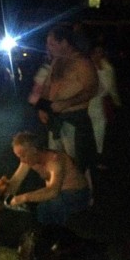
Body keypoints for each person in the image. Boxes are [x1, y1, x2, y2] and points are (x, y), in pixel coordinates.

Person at [36, 24, 99, 191]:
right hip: (55, 120)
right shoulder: (57, 61)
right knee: (54, 161)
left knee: (77, 162)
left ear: (64, 42)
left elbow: (92, 89)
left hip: (74, 120)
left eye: (52, 43)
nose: (48, 47)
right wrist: (42, 107)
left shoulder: (82, 62)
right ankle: (57, 192)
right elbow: (48, 86)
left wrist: (67, 103)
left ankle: (83, 196)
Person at [6, 131, 90, 226]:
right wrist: (3, 198)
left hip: (76, 194)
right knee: (33, 207)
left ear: (33, 150)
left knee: (45, 208)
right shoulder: (29, 160)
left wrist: (23, 198)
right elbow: (16, 180)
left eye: (23, 156)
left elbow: (53, 191)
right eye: (19, 157)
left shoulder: (54, 161)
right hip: (58, 195)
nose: (21, 160)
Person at [88, 44, 122, 165]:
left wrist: (116, 101)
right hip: (85, 104)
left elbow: (110, 87)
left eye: (100, 52)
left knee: (100, 132)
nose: (98, 55)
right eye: (95, 52)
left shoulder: (107, 68)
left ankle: (99, 158)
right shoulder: (86, 65)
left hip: (99, 104)